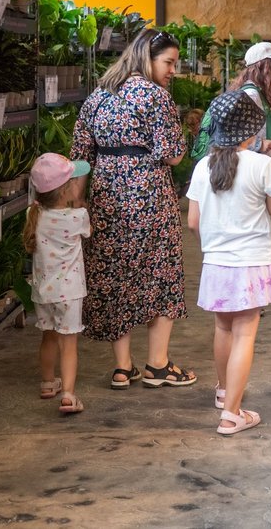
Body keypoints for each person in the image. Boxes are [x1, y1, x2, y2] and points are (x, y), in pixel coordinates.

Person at [71, 28, 197, 390]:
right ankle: (158, 364)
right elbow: (173, 156)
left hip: (107, 196)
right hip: (149, 196)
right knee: (161, 273)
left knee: (115, 277)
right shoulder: (155, 96)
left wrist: (80, 202)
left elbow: (80, 156)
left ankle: (123, 368)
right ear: (147, 58)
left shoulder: (98, 95)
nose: (173, 70)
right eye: (169, 62)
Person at [186, 90, 271, 436]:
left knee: (223, 328)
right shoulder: (262, 165)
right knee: (245, 333)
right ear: (250, 130)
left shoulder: (204, 166)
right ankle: (231, 415)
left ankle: (224, 391)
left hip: (216, 262)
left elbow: (193, 222)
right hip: (252, 262)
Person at [23, 153, 91, 414]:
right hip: (70, 292)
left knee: (48, 339)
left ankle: (48, 383)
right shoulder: (78, 216)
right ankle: (68, 395)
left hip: (43, 292)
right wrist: (79, 203)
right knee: (69, 344)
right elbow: (89, 233)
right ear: (66, 189)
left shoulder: (34, 213)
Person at [191, 42, 271, 161]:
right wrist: (259, 144)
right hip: (251, 164)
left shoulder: (254, 91)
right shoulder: (251, 94)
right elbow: (233, 134)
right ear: (265, 66)